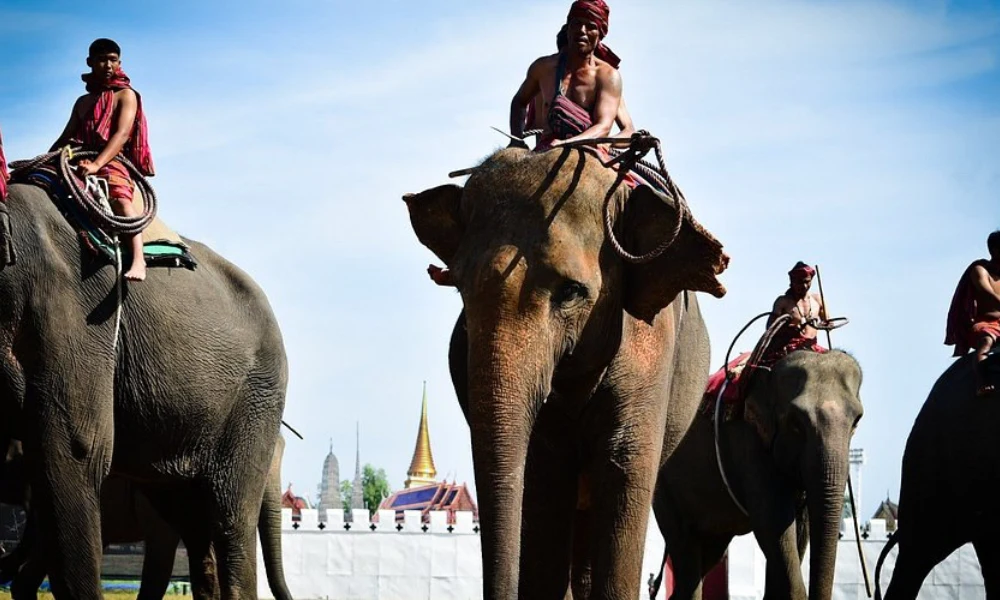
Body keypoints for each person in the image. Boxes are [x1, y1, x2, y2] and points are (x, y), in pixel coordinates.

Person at [50, 38, 155, 281]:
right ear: (90, 62)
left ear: (119, 63)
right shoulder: (83, 102)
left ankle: (139, 259)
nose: (108, 65)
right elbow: (66, 137)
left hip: (112, 159)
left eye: (113, 60)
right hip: (79, 158)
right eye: (101, 60)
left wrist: (98, 164)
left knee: (119, 199)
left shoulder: (126, 95)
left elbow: (122, 134)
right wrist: (42, 160)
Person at [509, 0, 623, 151]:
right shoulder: (543, 68)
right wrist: (517, 140)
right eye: (577, 24)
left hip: (589, 151)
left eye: (591, 27)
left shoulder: (608, 76)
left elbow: (604, 126)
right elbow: (519, 101)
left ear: (599, 35)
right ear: (568, 28)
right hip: (545, 150)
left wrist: (566, 144)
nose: (582, 30)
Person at [523, 24, 635, 141]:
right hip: (545, 152)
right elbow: (530, 119)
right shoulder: (544, 79)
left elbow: (629, 131)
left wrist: (607, 143)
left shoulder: (607, 84)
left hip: (588, 151)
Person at [945, 230, 1000, 396]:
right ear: (995, 250)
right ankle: (982, 383)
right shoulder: (980, 270)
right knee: (986, 342)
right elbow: (987, 292)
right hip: (985, 324)